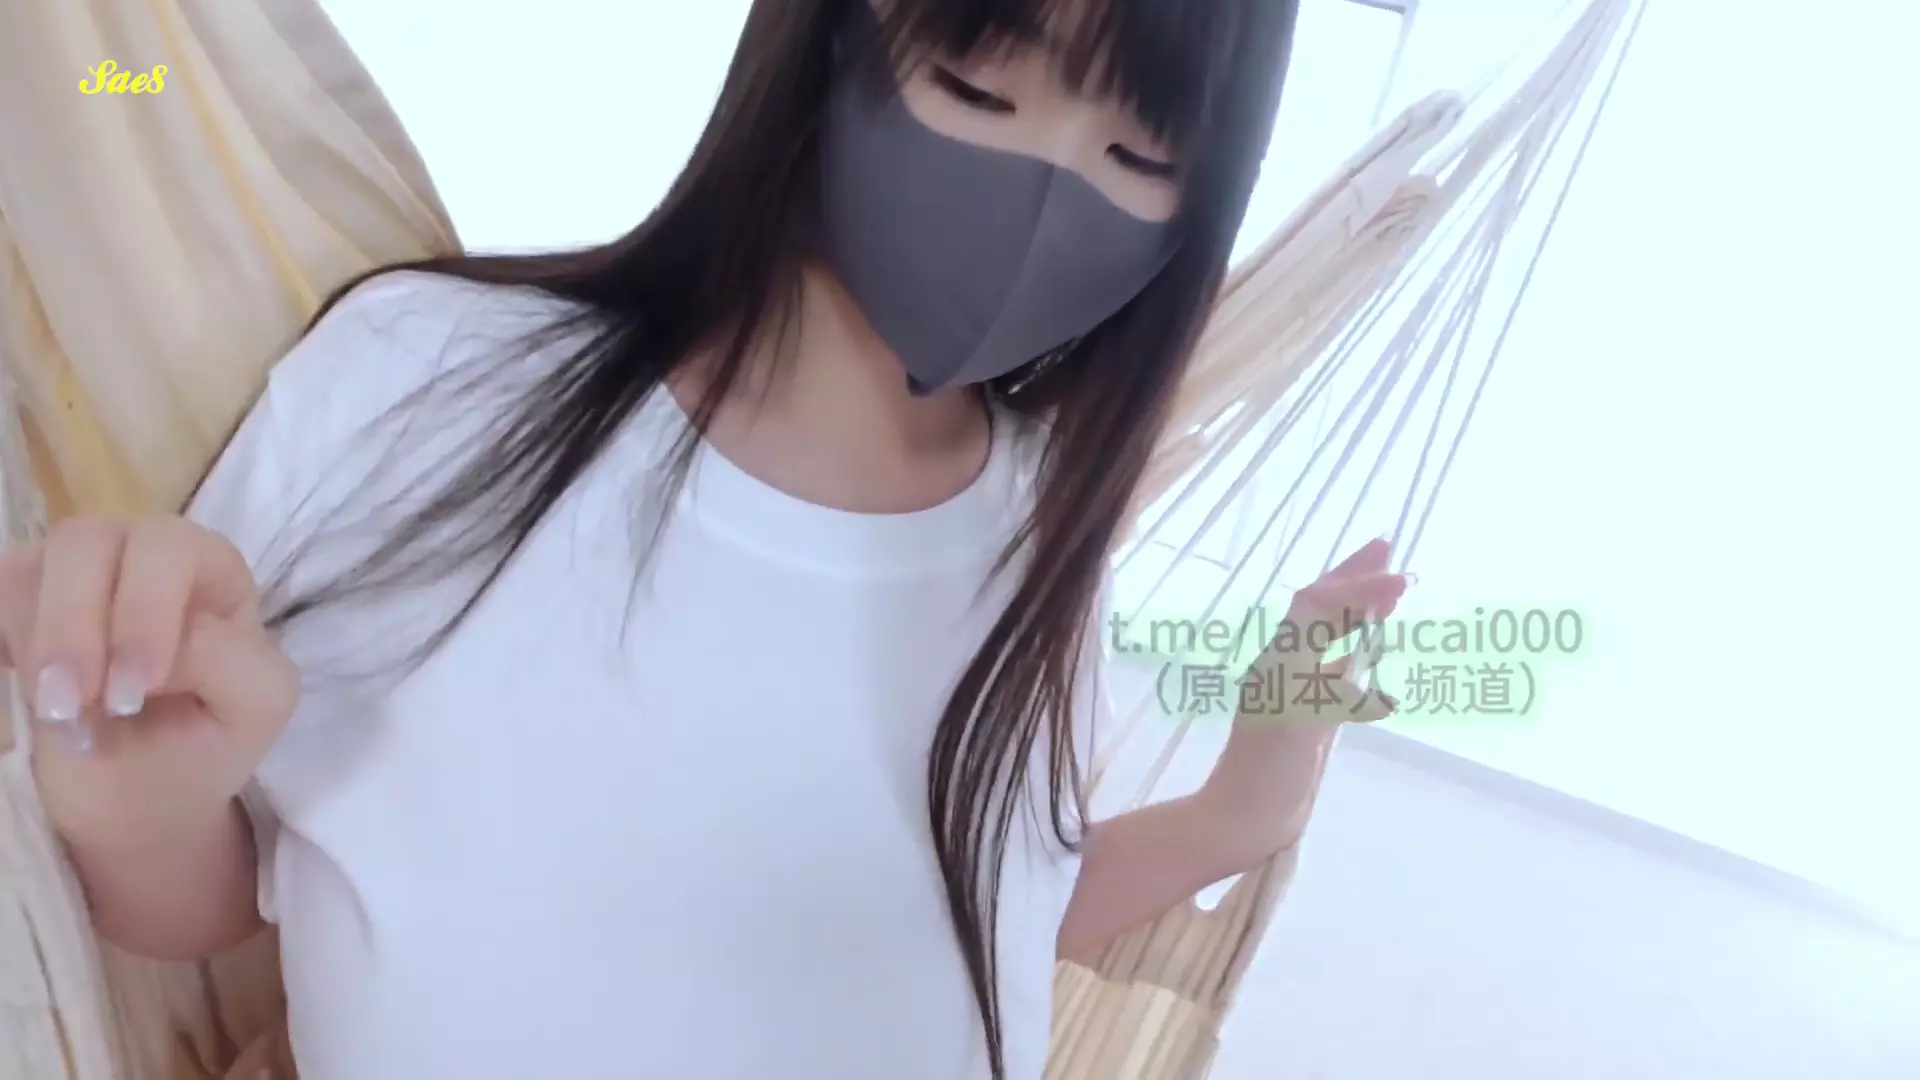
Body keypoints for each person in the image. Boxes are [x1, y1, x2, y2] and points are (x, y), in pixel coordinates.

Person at [2, 0, 1407, 1077]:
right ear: (826, 43)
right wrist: (136, 813)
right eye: (981, 86)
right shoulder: (422, 386)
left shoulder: (1044, 527)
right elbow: (225, 897)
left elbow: (981, 916)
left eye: (1137, 155)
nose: (1042, 195)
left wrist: (1244, 810)